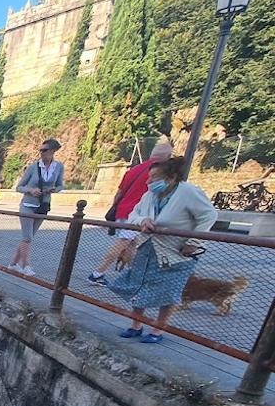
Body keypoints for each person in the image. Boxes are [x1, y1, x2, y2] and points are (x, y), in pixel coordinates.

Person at [109, 156, 217, 344]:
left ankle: (158, 329)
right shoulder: (149, 195)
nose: (149, 182)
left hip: (176, 252)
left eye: (154, 178)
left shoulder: (188, 192)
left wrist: (195, 240)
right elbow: (135, 214)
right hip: (148, 248)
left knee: (169, 291)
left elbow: (208, 215)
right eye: (149, 178)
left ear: (171, 177)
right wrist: (142, 220)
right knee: (140, 285)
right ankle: (137, 324)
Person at [88, 141, 173, 283]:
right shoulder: (159, 173)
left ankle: (133, 274)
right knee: (124, 242)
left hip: (123, 210)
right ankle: (97, 273)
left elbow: (119, 192)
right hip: (137, 214)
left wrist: (115, 209)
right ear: (167, 156)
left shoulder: (135, 169)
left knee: (131, 244)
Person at [10, 138, 65, 276]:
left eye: (44, 150)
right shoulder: (33, 167)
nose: (41, 153)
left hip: (43, 205)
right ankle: (26, 265)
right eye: (40, 150)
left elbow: (60, 185)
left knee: (28, 237)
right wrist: (30, 190)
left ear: (52, 151)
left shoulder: (58, 167)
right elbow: (19, 187)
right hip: (28, 204)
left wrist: (54, 189)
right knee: (27, 237)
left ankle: (13, 264)